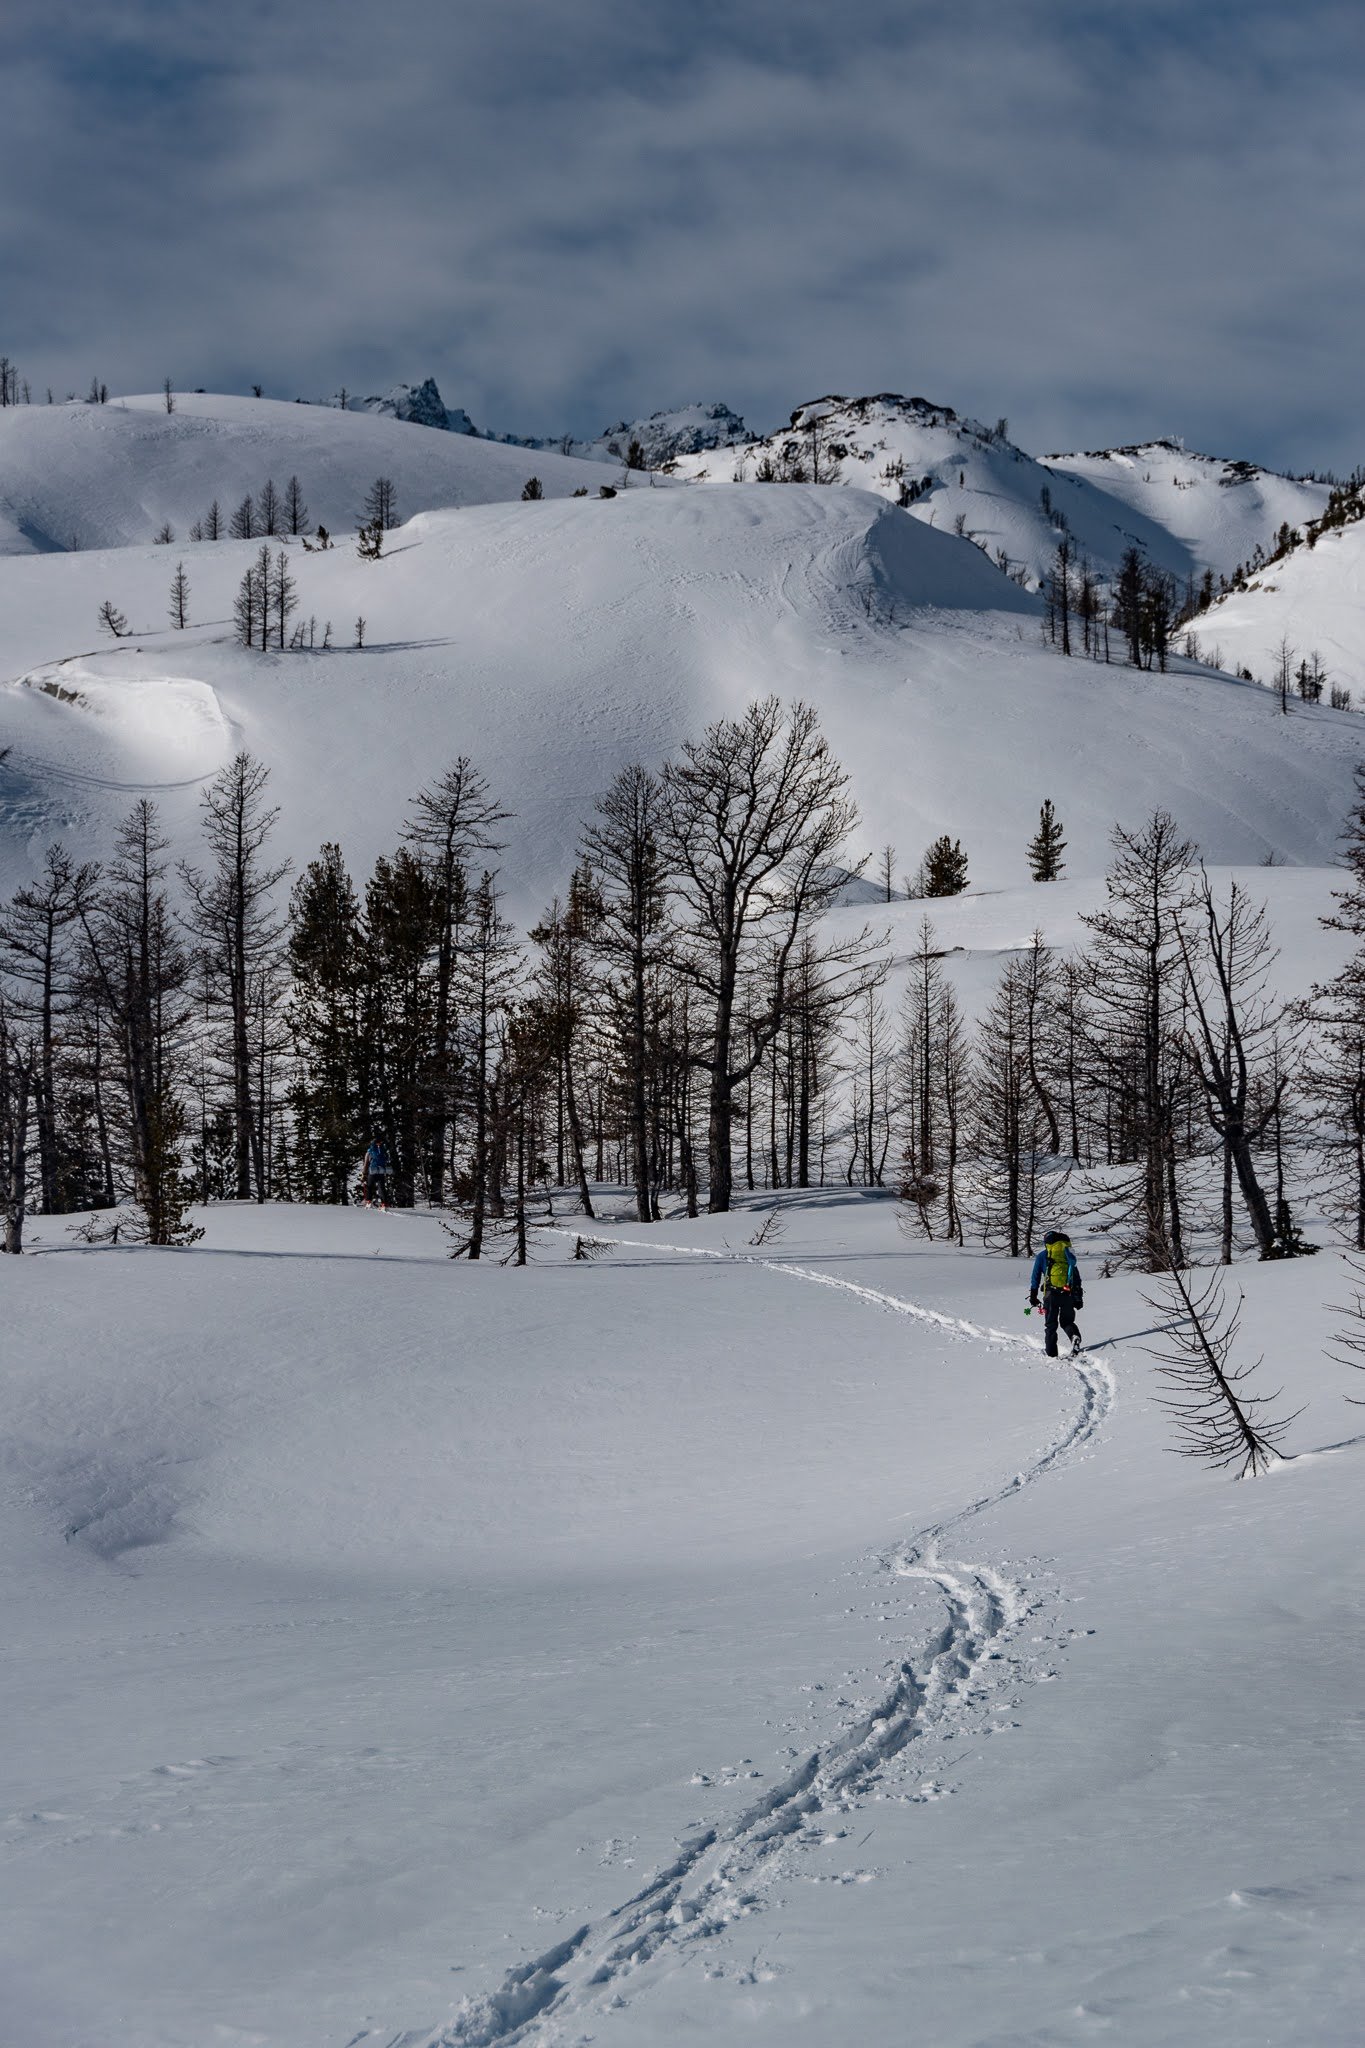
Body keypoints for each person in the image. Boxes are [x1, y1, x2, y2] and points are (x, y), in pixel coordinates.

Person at [1028, 1227, 1084, 1357]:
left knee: (1051, 1325)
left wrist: (1033, 1295)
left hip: (1050, 1295)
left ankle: (1052, 1355)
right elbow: (1076, 1277)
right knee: (1067, 1322)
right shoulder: (1067, 1256)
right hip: (1067, 1293)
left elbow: (1035, 1276)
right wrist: (1078, 1297)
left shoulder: (1043, 1255)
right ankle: (1074, 1336)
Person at [363, 1135, 391, 1208]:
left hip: (372, 1170)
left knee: (369, 1186)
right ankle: (384, 1203)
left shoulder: (370, 1150)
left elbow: (366, 1163)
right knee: (381, 1187)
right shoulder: (383, 1150)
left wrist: (364, 1173)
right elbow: (387, 1161)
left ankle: (368, 1201)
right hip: (381, 1170)